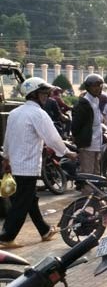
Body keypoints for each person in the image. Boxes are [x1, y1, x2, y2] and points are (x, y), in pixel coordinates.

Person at [0, 78, 78, 248]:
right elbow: (52, 138)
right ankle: (6, 237)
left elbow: (8, 138)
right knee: (21, 203)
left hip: (16, 164)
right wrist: (67, 152)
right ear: (33, 94)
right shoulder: (38, 114)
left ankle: (44, 230)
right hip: (28, 166)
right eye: (43, 93)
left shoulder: (15, 113)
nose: (46, 96)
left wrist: (6, 157)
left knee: (29, 200)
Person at [71, 74, 104, 175]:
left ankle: (95, 191)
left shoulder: (96, 100)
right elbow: (75, 125)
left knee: (96, 172)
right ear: (88, 87)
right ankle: (86, 191)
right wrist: (79, 139)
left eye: (99, 86)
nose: (97, 88)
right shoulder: (83, 103)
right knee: (88, 173)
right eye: (94, 86)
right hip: (87, 143)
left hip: (97, 141)